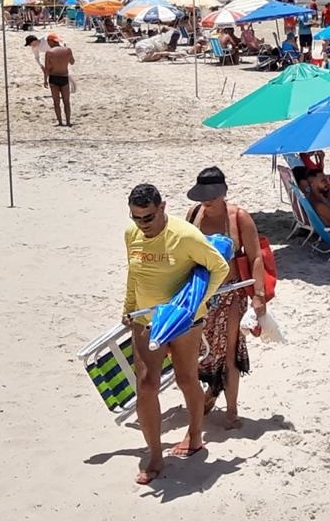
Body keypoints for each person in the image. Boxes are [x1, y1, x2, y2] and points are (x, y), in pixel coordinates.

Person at [122, 183, 231, 484]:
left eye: (148, 217)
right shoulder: (132, 235)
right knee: (146, 385)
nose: (142, 225)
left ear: (163, 207)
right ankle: (155, 454)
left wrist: (196, 303)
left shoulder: (185, 235)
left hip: (185, 323)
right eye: (136, 218)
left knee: (186, 378)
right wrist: (128, 306)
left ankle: (195, 436)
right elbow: (133, 273)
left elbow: (219, 268)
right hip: (146, 320)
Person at [185, 167, 266, 428]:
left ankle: (231, 412)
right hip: (200, 293)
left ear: (222, 193)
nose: (206, 201)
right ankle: (209, 392)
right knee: (200, 350)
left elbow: (255, 257)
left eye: (211, 195)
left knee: (229, 352)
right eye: (203, 196)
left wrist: (258, 296)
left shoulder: (238, 217)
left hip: (231, 292)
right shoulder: (193, 214)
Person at [44, 34, 75, 126]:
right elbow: (72, 62)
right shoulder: (67, 50)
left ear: (51, 42)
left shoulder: (49, 52)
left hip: (54, 77)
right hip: (64, 77)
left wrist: (45, 80)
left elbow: (47, 68)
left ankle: (60, 122)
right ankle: (68, 121)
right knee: (66, 101)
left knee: (56, 102)